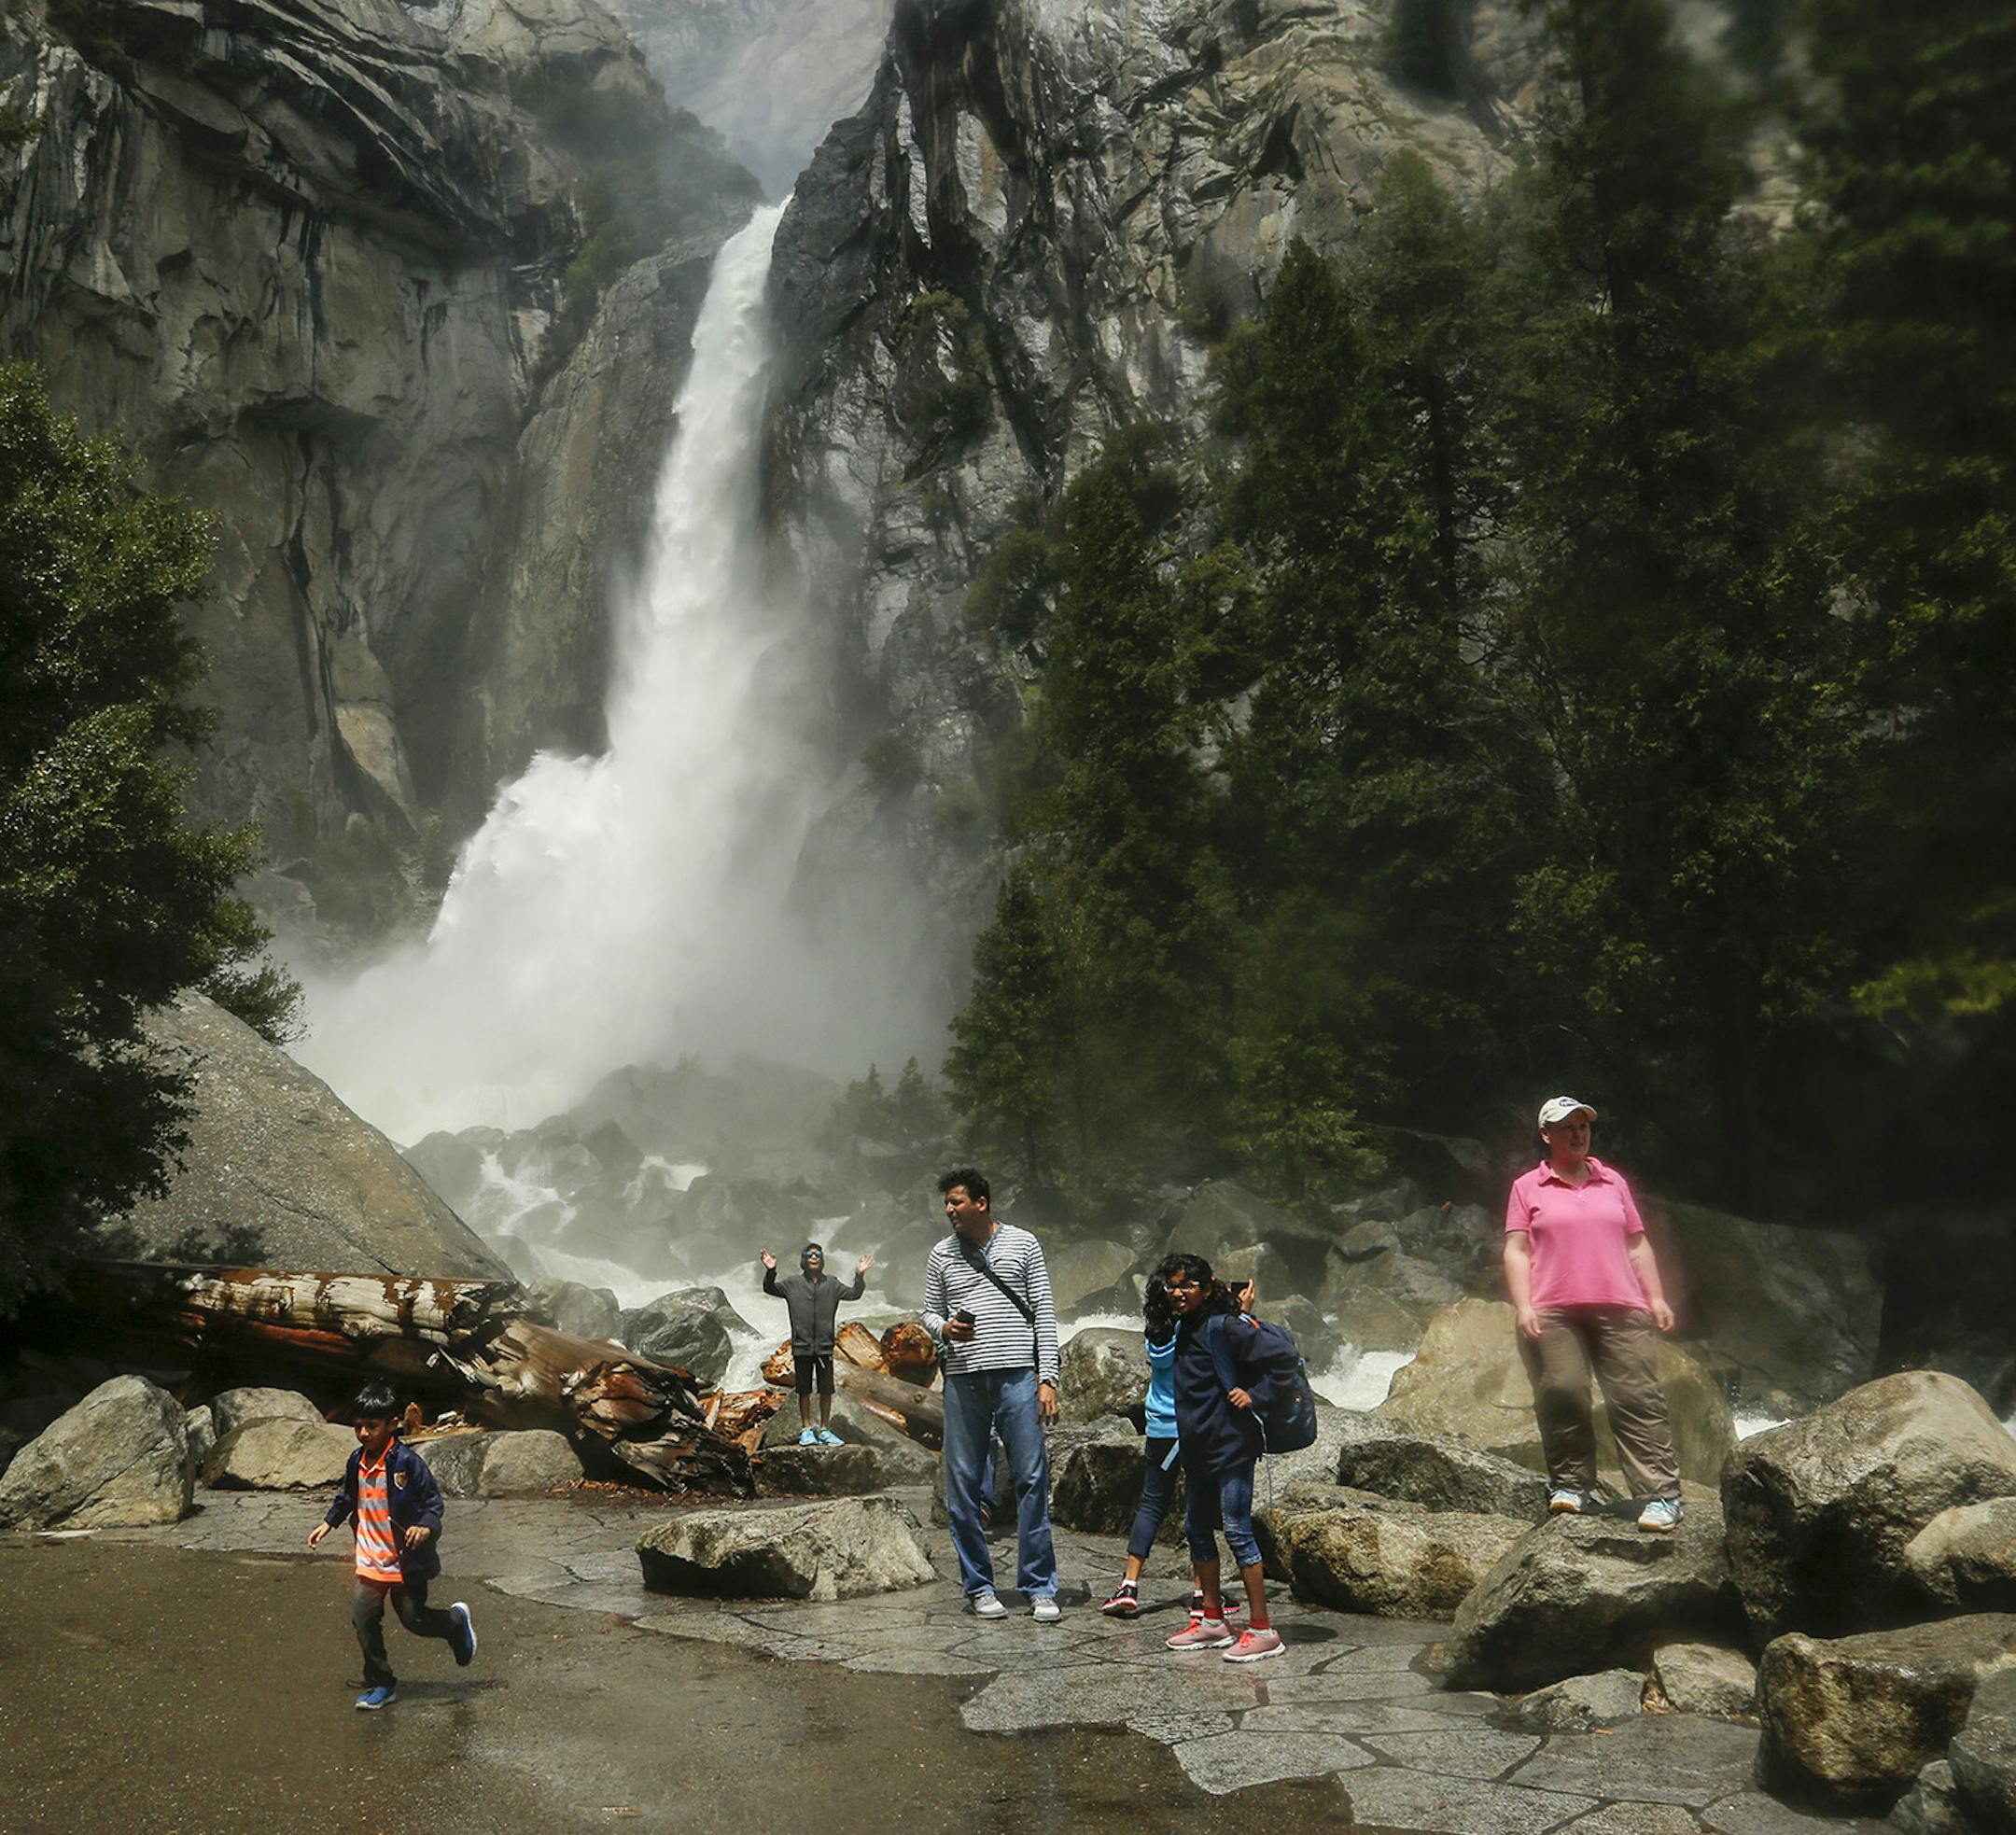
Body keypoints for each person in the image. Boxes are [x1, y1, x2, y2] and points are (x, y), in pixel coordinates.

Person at [1504, 1096, 1684, 1533]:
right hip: (1554, 1308)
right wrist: (1524, 1305)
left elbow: (1637, 1243)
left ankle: (1661, 1496)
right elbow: (1516, 1249)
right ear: (1547, 1135)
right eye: (1567, 1127)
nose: (1578, 1134)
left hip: (1620, 1304)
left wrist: (1656, 1296)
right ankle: (1570, 1486)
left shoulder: (1612, 1182)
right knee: (1563, 1390)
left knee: (1637, 1398)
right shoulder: (1528, 1186)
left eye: (1583, 1126)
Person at [921, 1167, 1063, 1622]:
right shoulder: (941, 1255)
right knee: (961, 1485)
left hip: (1018, 1377)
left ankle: (1040, 1586)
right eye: (947, 1203)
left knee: (1031, 1478)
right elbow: (927, 1311)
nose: (949, 1210)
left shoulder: (1024, 1244)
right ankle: (979, 1586)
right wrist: (945, 1328)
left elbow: (1043, 1310)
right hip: (963, 1380)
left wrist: (1048, 1379)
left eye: (956, 1202)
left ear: (981, 1202)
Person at [307, 1380, 476, 1710]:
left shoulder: (407, 1463)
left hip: (406, 1561)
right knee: (363, 1617)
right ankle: (382, 1682)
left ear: (393, 1424)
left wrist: (424, 1528)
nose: (364, 1434)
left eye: (372, 1426)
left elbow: (433, 1504)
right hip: (371, 1559)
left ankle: (455, 1625)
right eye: (358, 1427)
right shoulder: (357, 1461)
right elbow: (347, 1498)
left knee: (414, 1619)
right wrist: (328, 1523)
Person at [1099, 1271, 1252, 1628]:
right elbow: (1234, 1351)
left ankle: (1129, 1585)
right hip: (1195, 1426)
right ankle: (1202, 1592)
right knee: (1200, 1508)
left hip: (1160, 1426)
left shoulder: (1158, 1332)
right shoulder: (1197, 1328)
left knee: (1153, 1501)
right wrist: (1240, 1312)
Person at [1159, 1254, 1285, 1661]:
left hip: (1231, 1445)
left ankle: (1263, 1629)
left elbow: (1283, 1361)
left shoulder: (1224, 1327)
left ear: (1207, 1289)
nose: (1177, 1293)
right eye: (1172, 1286)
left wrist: (1256, 1396)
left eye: (1187, 1286)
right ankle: (1213, 1622)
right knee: (1196, 1528)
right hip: (1197, 1447)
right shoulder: (1186, 1325)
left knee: (1237, 1530)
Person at [761, 1241, 873, 1445]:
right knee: (804, 1389)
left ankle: (824, 1429)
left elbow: (854, 1294)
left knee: (826, 1389)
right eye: (810, 1255)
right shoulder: (792, 1284)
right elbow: (770, 1288)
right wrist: (771, 1270)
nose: (814, 1258)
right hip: (802, 1346)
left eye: (818, 1255)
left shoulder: (833, 1284)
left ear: (822, 1260)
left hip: (824, 1346)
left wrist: (859, 1276)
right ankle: (806, 1429)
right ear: (803, 1261)